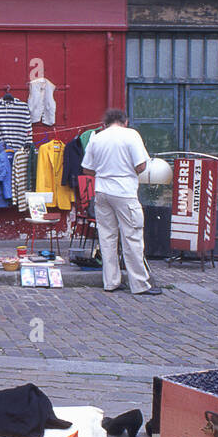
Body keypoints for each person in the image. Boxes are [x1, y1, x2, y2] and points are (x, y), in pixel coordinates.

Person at [81, 108, 161, 296]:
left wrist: (104, 172)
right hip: (124, 192)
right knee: (132, 237)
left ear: (106, 123)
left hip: (101, 191)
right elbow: (140, 165)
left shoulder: (96, 137)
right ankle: (140, 284)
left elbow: (87, 169)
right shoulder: (131, 135)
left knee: (107, 237)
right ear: (125, 122)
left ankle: (111, 282)